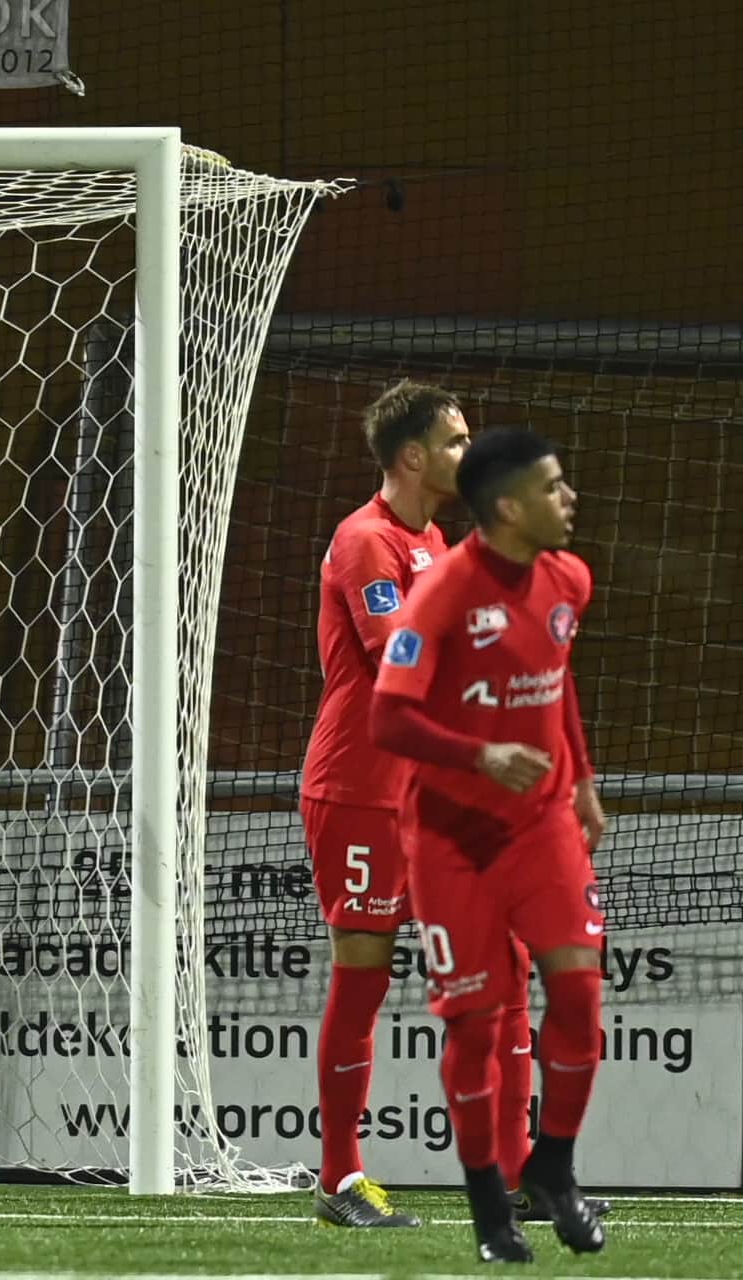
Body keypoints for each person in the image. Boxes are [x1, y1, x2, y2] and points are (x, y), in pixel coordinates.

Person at [371, 428, 608, 1263]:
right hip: (450, 837)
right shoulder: (440, 594)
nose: (569, 498)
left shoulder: (569, 578)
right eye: (553, 487)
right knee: (474, 1026)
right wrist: (482, 756)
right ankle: (488, 1212)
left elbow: (557, 674)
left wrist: (582, 779)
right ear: (507, 508)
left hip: (541, 825)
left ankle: (555, 1168)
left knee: (579, 996)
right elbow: (388, 717)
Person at [300, 380, 468, 1226]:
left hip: (426, 787)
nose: (468, 454)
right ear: (412, 455)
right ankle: (341, 1180)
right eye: (455, 441)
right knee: (364, 977)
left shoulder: (434, 538)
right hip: (361, 788)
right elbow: (402, 659)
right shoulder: (366, 539)